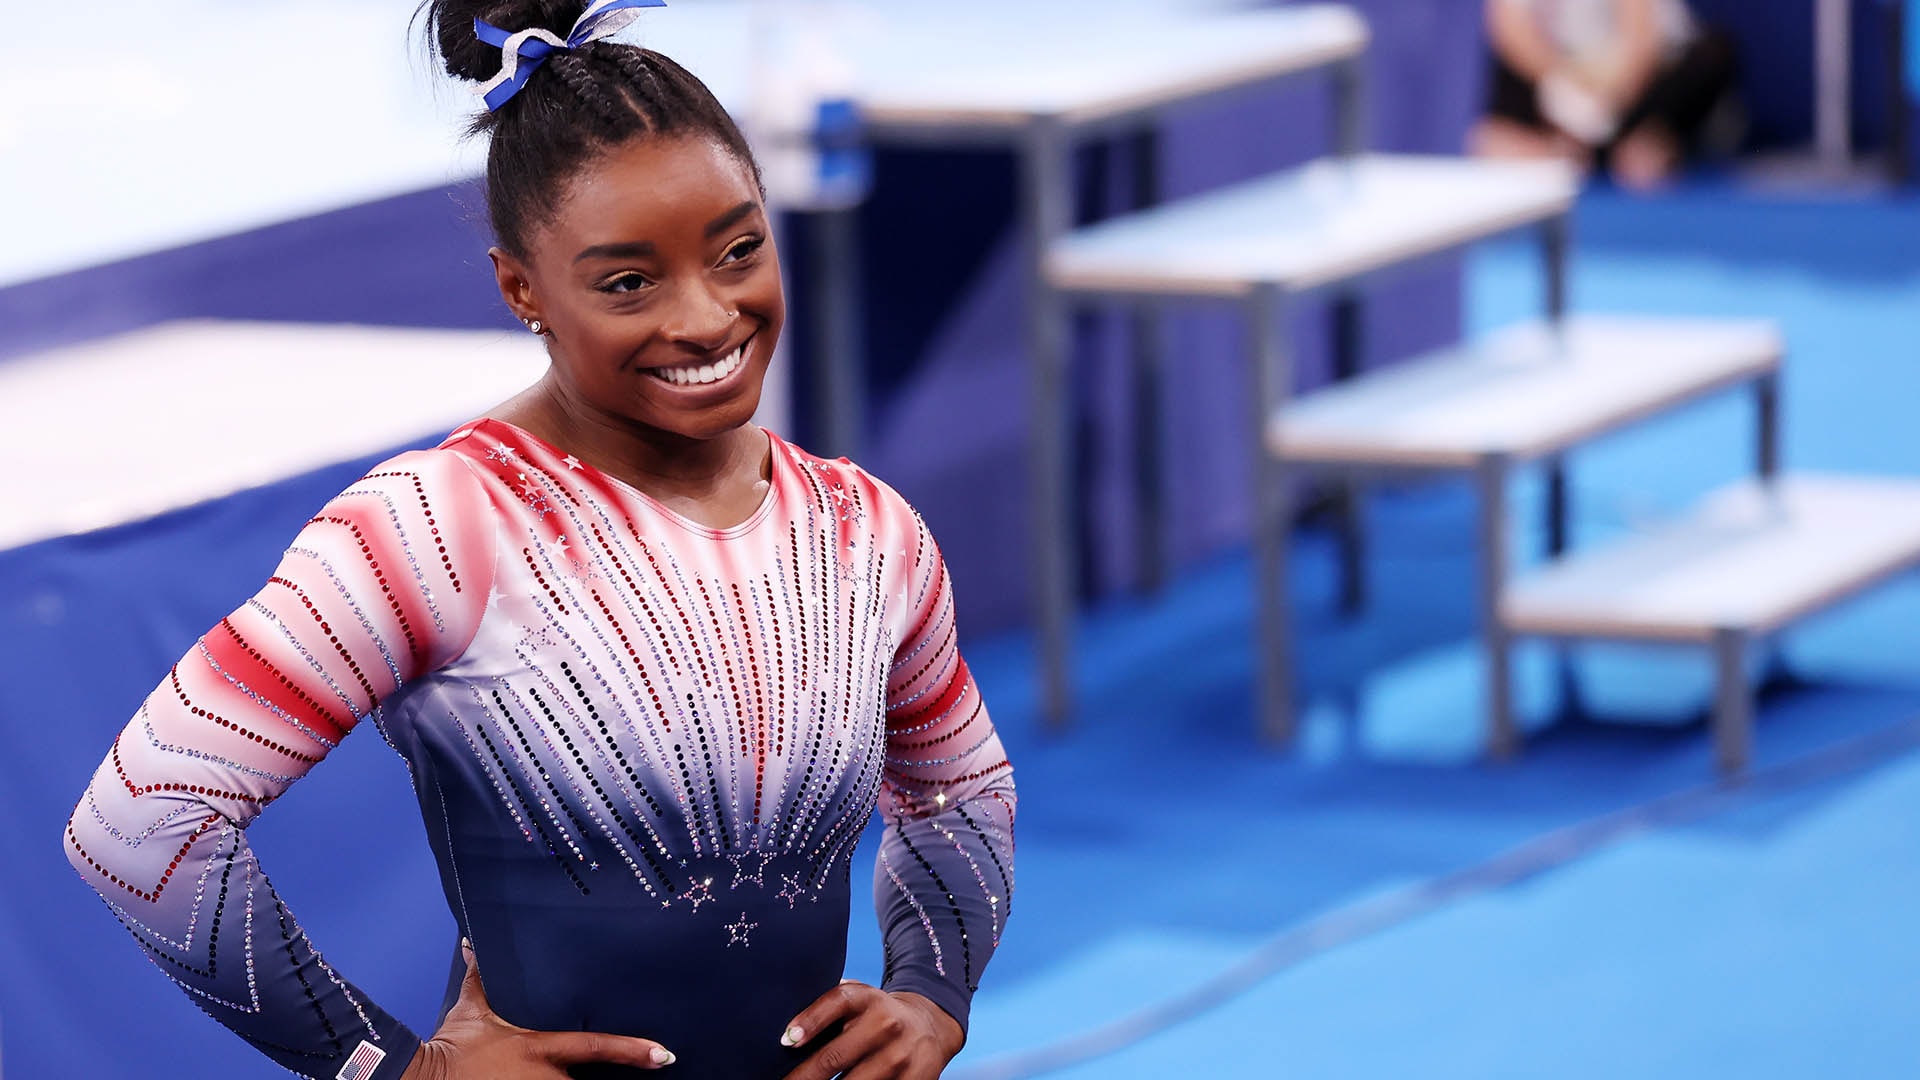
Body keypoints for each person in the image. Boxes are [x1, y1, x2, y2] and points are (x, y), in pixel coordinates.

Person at [61, 1, 1016, 1076]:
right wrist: (383, 1064)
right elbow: (142, 823)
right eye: (628, 283)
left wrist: (932, 989)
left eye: (739, 250)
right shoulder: (436, 527)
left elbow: (959, 790)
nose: (706, 318)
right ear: (523, 287)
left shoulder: (862, 529)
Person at [1471, 0, 1737, 190]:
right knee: (1492, 74)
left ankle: (1633, 144)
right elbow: (1509, 32)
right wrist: (1561, 82)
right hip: (1564, 81)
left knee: (1714, 55)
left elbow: (1641, 48)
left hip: (1640, 82)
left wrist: (1607, 98)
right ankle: (1560, 148)